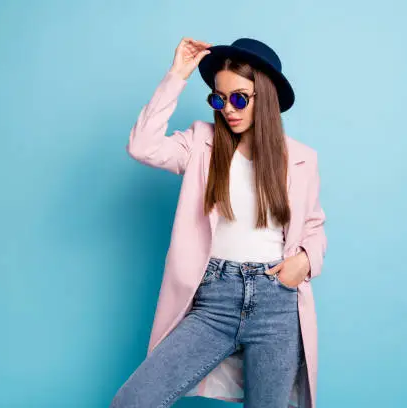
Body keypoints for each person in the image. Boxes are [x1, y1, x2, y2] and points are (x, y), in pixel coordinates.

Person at [110, 37, 327, 408]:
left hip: (277, 304)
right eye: (219, 98)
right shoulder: (200, 144)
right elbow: (142, 145)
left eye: (240, 97)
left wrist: (305, 260)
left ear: (266, 97)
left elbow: (313, 225)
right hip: (215, 300)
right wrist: (177, 74)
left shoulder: (302, 160)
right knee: (135, 400)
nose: (229, 109)